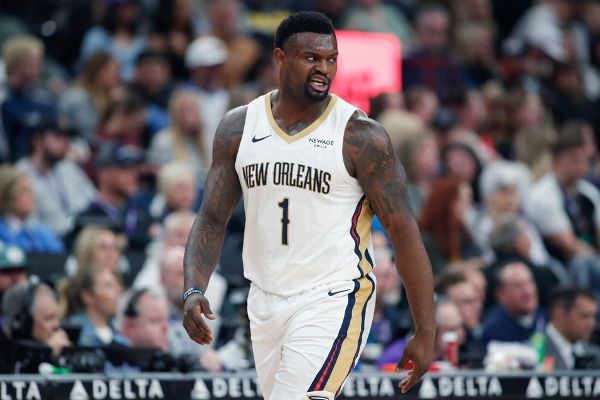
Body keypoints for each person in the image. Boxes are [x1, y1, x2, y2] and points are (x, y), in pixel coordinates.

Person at [183, 11, 435, 399]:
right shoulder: (239, 127)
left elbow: (404, 231)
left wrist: (425, 329)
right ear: (280, 58)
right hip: (264, 299)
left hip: (334, 295)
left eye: (331, 59)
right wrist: (193, 288)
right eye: (311, 58)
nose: (324, 69)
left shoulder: (359, 136)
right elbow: (212, 219)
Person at [544, 286, 599, 370]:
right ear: (561, 314)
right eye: (584, 316)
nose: (591, 323)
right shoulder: (532, 352)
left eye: (593, 316)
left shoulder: (596, 355)